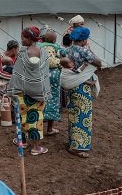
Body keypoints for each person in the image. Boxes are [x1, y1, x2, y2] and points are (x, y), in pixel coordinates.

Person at [7, 26, 51, 156]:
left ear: (30, 38)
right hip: (38, 92)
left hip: (22, 91)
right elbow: (43, 72)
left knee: (22, 116)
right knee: (36, 118)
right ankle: (35, 147)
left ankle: (24, 142)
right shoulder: (43, 52)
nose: (21, 40)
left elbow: (17, 73)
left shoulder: (22, 53)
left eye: (23, 38)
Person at [62, 27, 102, 159]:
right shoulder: (84, 51)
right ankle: (78, 147)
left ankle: (72, 142)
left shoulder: (67, 50)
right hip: (81, 87)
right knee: (83, 115)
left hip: (72, 86)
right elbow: (98, 63)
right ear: (84, 39)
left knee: (73, 114)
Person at [38, 29, 65, 136]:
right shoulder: (56, 47)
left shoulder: (38, 46)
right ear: (54, 39)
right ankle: (49, 129)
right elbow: (53, 61)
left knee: (40, 101)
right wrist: (60, 63)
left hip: (40, 77)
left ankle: (38, 129)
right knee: (53, 101)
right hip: (53, 78)